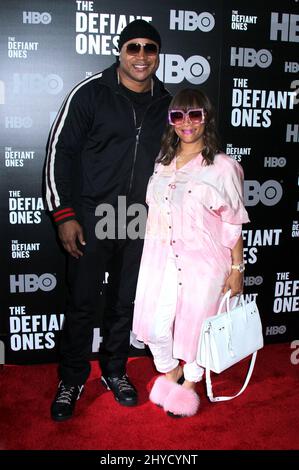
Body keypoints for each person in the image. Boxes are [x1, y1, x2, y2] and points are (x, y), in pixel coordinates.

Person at [45, 19, 171, 421]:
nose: (140, 56)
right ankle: (72, 378)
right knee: (82, 302)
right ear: (120, 51)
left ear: (157, 55)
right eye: (132, 47)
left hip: (136, 216)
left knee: (123, 302)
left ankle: (114, 371)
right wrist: (64, 214)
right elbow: (59, 154)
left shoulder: (167, 103)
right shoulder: (91, 93)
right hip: (91, 214)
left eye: (149, 48)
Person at [132, 88, 250, 418]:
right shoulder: (163, 162)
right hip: (161, 259)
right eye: (178, 115)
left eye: (195, 115)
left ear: (206, 119)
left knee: (197, 328)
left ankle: (191, 382)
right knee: (154, 326)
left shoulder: (223, 167)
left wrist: (237, 268)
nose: (187, 123)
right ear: (171, 121)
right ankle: (170, 371)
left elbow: (233, 223)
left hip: (204, 262)